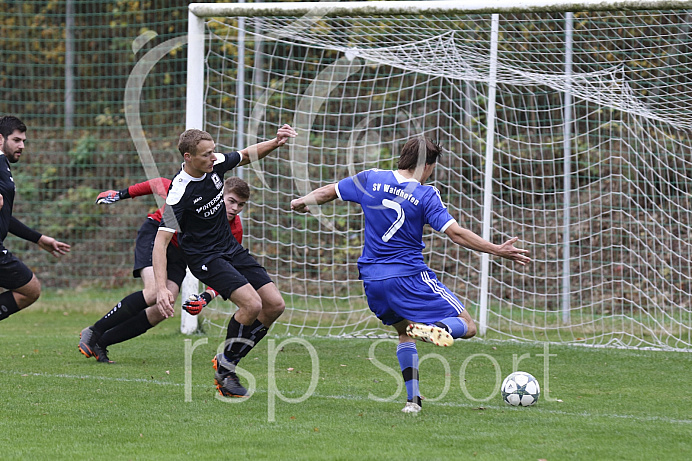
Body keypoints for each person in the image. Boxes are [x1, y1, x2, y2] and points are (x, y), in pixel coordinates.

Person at [290, 136, 531, 413]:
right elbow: (456, 234)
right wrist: (496, 249)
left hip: (372, 279)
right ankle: (438, 330)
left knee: (405, 333)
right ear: (427, 166)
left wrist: (300, 201)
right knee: (468, 325)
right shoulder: (425, 194)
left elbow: (327, 193)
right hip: (408, 276)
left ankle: (412, 402)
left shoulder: (370, 178)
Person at [154, 125, 297, 398]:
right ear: (188, 157)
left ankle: (227, 361)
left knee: (275, 305)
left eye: (213, 152)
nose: (213, 157)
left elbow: (245, 154)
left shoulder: (215, 164)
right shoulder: (178, 193)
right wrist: (162, 288)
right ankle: (227, 369)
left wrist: (275, 142)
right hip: (204, 257)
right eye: (206, 155)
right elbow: (160, 243)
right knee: (252, 304)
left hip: (229, 248)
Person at [78, 176, 250, 363]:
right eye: (231, 201)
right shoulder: (194, 194)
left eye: (240, 205)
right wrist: (120, 194)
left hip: (179, 252)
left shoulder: (234, 229)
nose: (235, 208)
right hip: (156, 234)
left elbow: (228, 270)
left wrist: (206, 296)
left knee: (163, 308)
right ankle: (94, 330)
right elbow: (158, 183)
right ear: (218, 195)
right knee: (154, 292)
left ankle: (101, 342)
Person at [0, 115, 71, 323]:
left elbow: (6, 217)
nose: (22, 145)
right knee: (30, 289)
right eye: (16, 140)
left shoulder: (3, 164)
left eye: (24, 141)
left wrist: (38, 238)